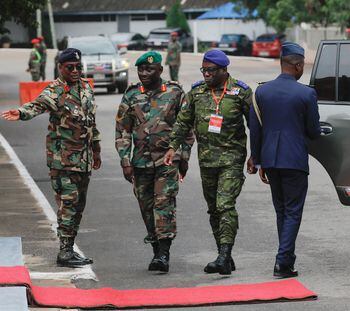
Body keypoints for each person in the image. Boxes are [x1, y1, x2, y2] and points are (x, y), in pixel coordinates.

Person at [2, 48, 101, 268]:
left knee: (79, 206)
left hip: (83, 160)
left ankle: (70, 248)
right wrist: (21, 113)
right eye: (70, 67)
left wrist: (96, 149)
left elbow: (91, 123)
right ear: (60, 68)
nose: (75, 71)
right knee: (68, 205)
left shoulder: (85, 88)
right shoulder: (55, 91)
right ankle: (64, 252)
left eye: (78, 66)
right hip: (63, 160)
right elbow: (36, 105)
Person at [164, 49, 255, 275]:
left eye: (211, 70)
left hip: (232, 160)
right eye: (203, 70)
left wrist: (257, 155)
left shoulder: (241, 92)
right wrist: (172, 147)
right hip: (206, 161)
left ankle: (223, 256)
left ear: (224, 70)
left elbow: (256, 126)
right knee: (213, 209)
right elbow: (183, 122)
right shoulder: (196, 92)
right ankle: (224, 254)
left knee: (225, 205)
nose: (206, 74)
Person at [115, 51, 194, 273]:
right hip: (140, 162)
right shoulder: (131, 95)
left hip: (167, 161)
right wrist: (124, 160)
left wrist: (184, 156)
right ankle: (156, 248)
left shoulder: (175, 92)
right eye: (140, 69)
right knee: (146, 206)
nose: (144, 73)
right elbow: (122, 129)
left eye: (149, 69)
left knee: (164, 204)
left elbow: (187, 127)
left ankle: (163, 253)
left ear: (160, 70)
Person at [249, 42, 321, 279]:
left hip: (270, 160)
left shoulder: (262, 91)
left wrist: (257, 160)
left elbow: (255, 129)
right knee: (292, 212)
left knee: (281, 211)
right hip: (294, 160)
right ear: (299, 65)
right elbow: (312, 130)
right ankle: (282, 262)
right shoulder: (307, 93)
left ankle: (286, 260)